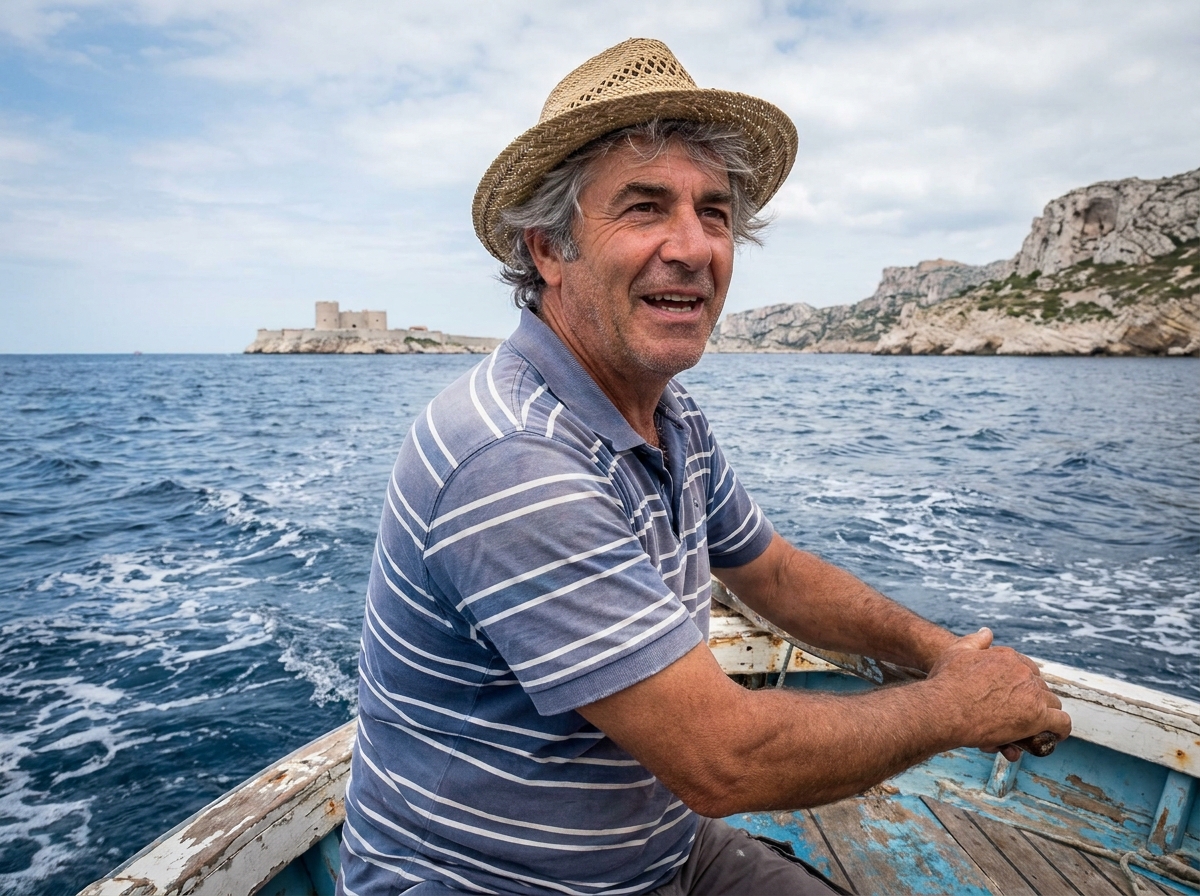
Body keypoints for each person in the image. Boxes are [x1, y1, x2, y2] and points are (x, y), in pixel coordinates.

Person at [337, 38, 1071, 896]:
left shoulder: (662, 409)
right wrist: (960, 706)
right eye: (644, 209)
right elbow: (724, 763)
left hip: (662, 856)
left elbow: (775, 572)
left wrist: (942, 653)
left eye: (714, 213)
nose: (693, 247)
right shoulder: (511, 459)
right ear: (547, 249)